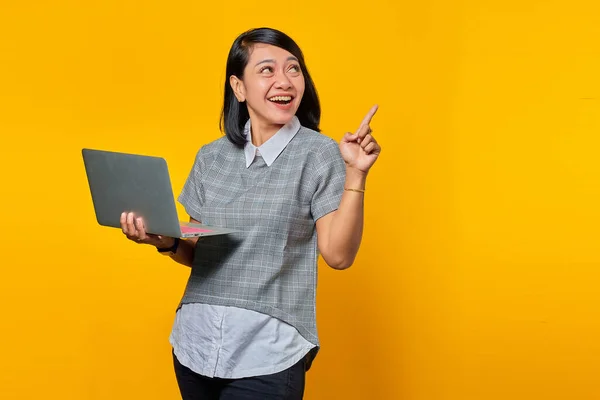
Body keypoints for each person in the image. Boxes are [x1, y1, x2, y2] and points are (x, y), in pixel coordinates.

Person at [119, 27, 381, 400]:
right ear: (238, 88)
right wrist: (163, 241)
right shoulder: (211, 157)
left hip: (267, 354)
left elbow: (338, 256)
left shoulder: (320, 153)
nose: (284, 81)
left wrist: (357, 173)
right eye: (267, 70)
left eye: (293, 69)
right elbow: (199, 252)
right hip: (195, 343)